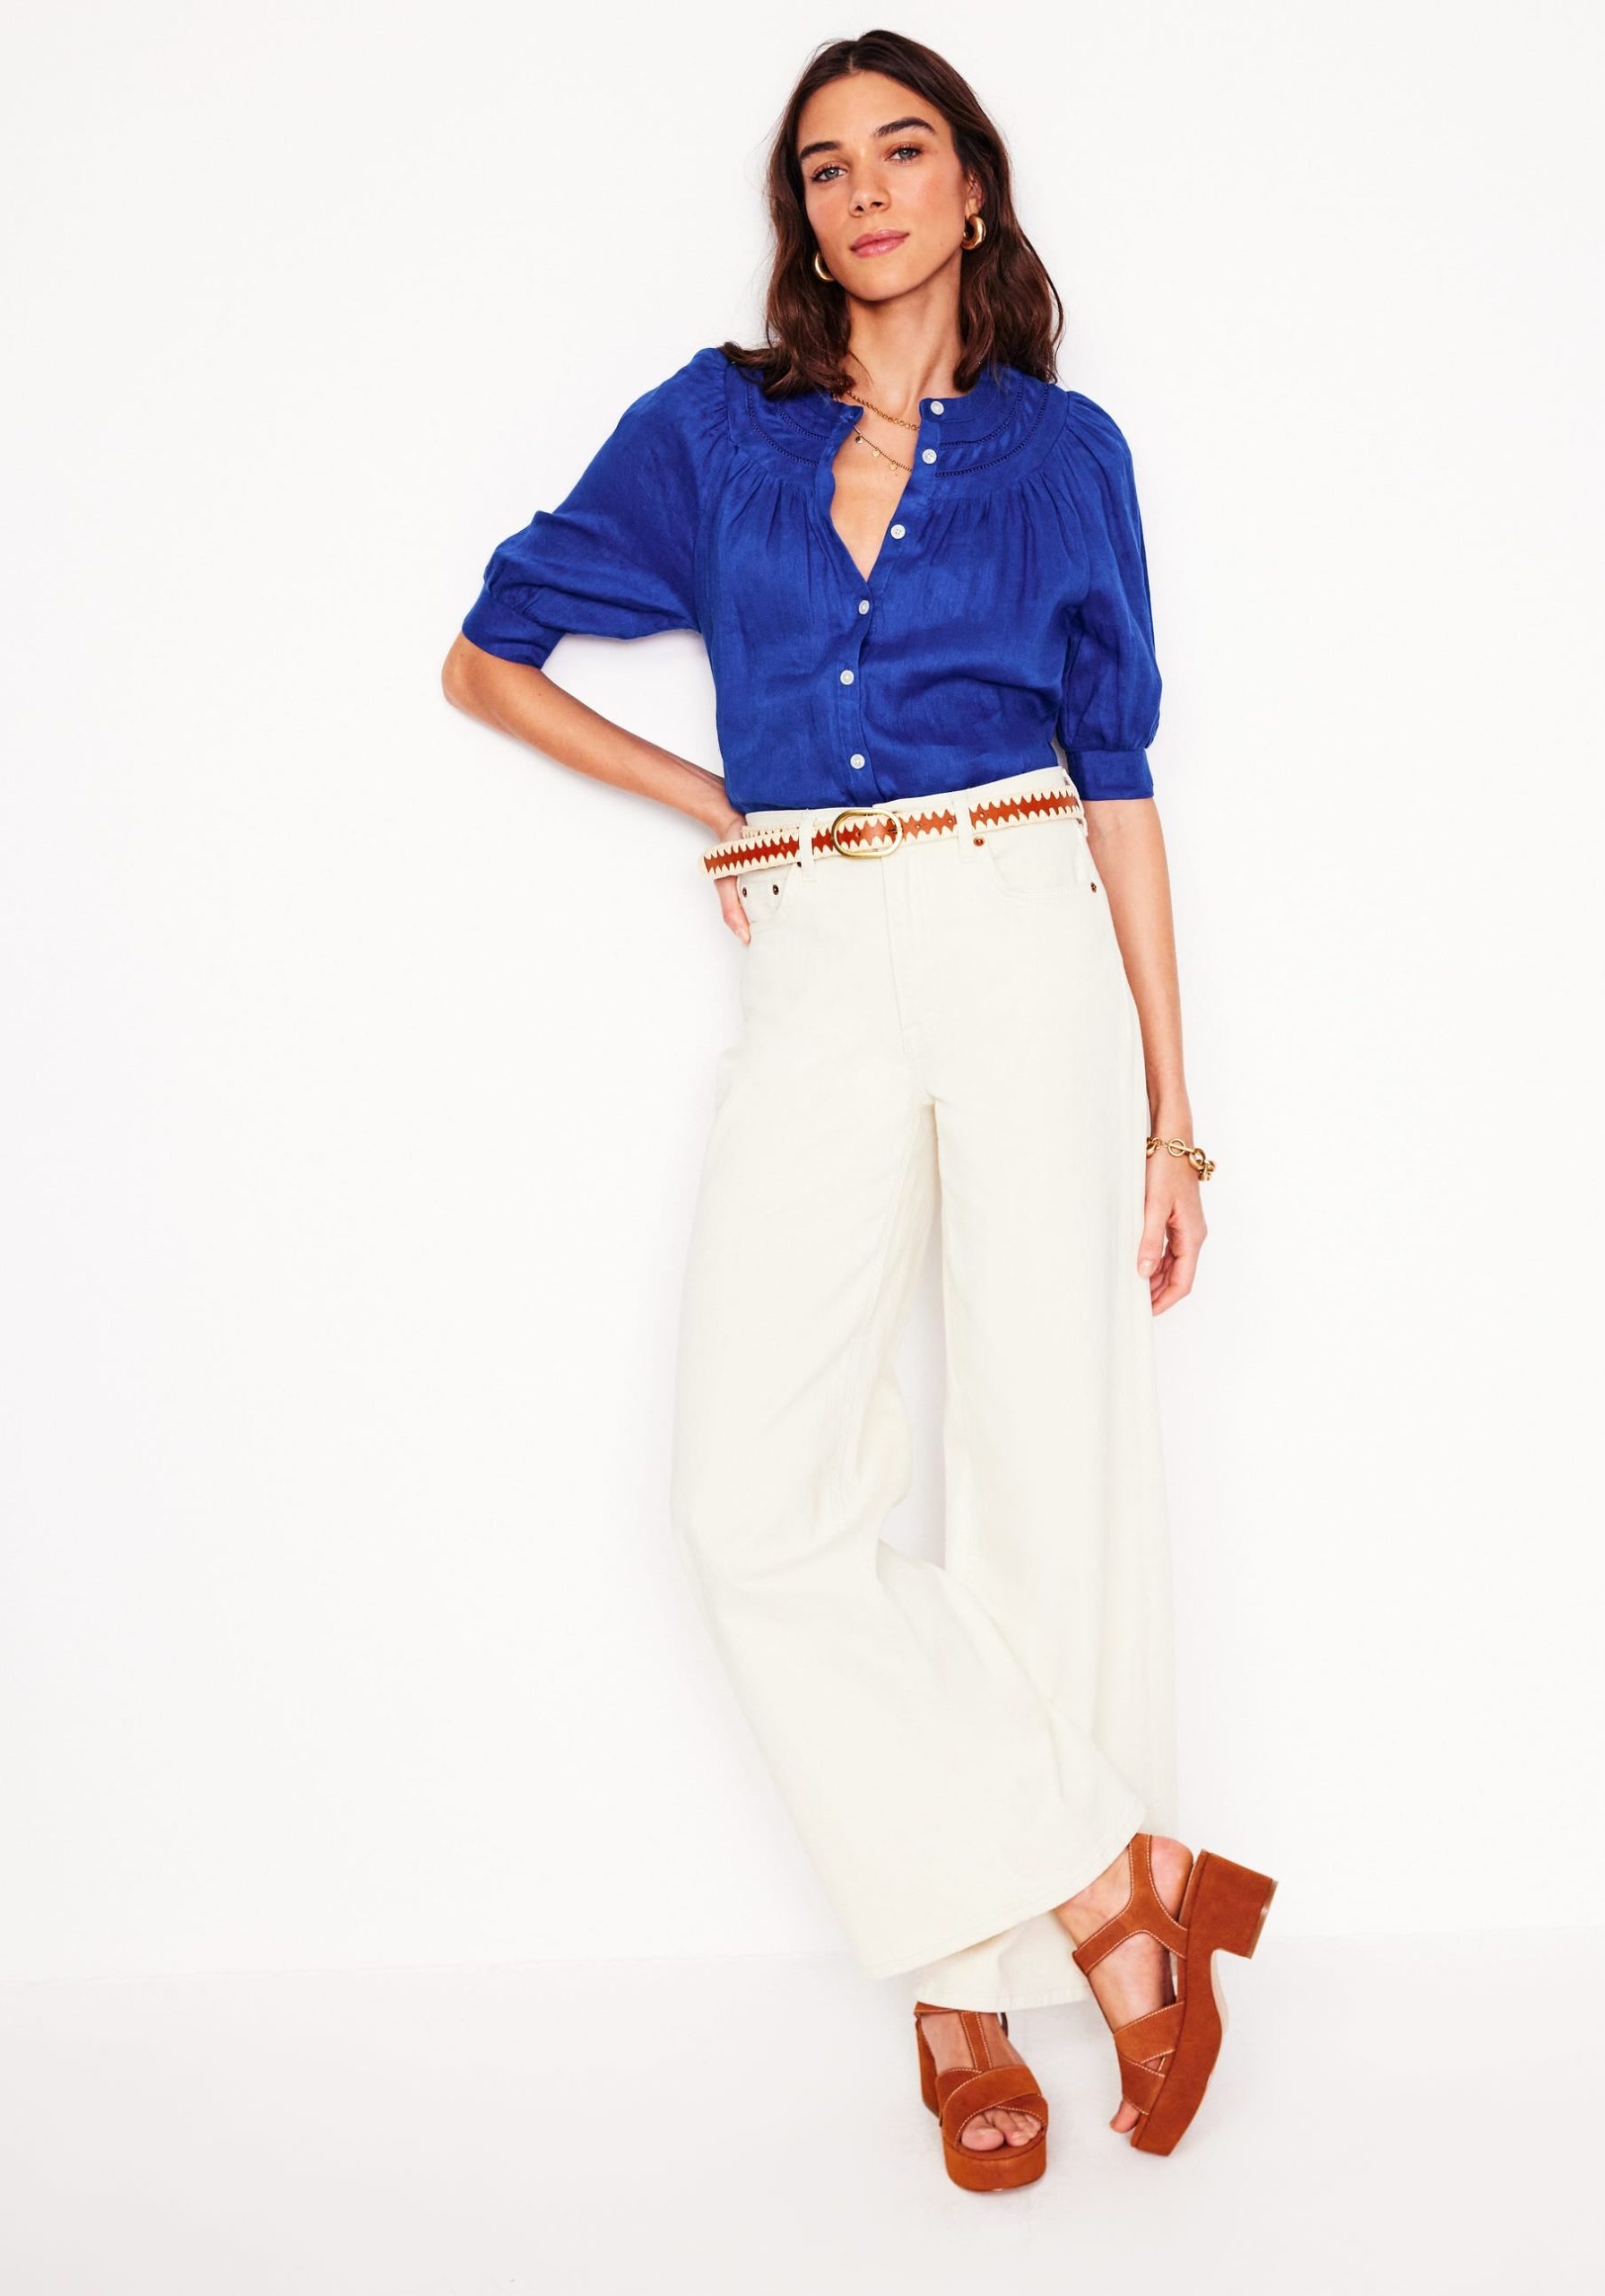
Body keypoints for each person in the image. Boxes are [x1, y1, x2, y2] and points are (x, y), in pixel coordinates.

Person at [442, 29, 1276, 2194]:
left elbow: (1120, 777)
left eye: (906, 151)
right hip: (814, 943)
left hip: (1018, 923)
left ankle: (963, 2001)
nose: (868, 190)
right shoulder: (713, 430)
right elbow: (490, 653)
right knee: (750, 1495)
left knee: (1044, 1458)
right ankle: (1109, 1881)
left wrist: (1176, 1117)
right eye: (827, 166)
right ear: (801, 216)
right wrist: (710, 799)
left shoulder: (1066, 453)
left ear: (973, 187)